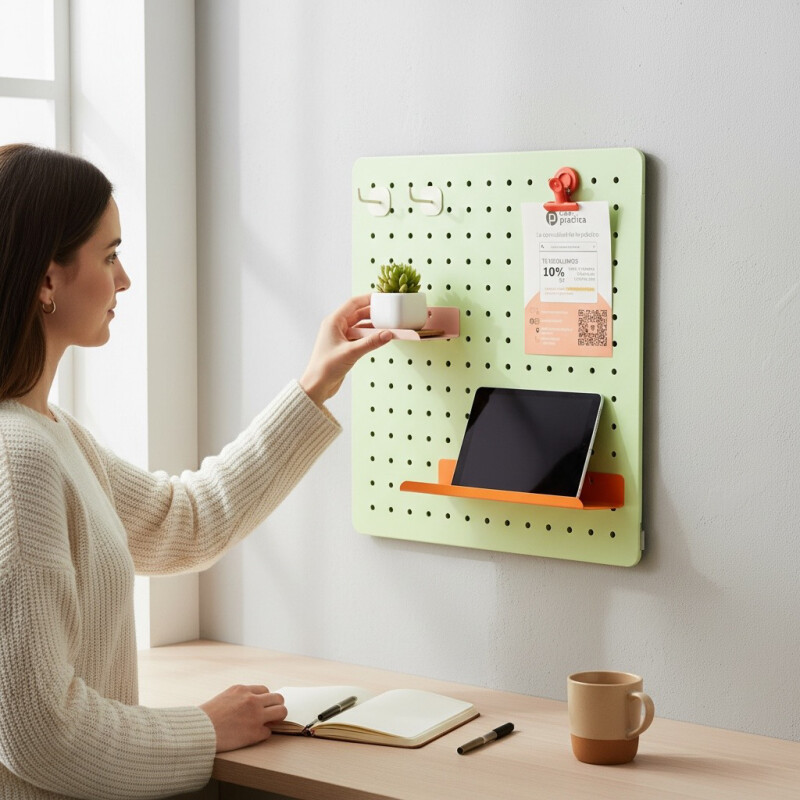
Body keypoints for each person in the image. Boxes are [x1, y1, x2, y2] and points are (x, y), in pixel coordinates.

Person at [0, 143, 392, 799]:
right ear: (46, 280)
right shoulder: (20, 457)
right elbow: (45, 736)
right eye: (109, 254)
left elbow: (188, 521)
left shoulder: (54, 436)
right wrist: (205, 730)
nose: (123, 280)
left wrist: (315, 384)